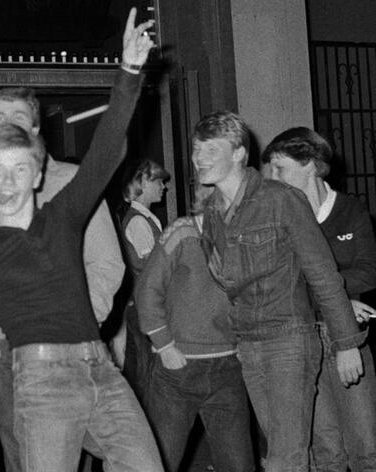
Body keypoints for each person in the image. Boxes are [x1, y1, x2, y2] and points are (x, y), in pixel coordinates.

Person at [0, 8, 162, 472]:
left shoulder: (61, 219)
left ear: (39, 172)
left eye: (19, 169)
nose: (7, 183)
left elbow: (105, 152)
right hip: (40, 381)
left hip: (101, 371)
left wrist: (127, 73)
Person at [195, 111, 364, 472]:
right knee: (293, 454)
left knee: (285, 459)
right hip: (249, 344)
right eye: (196, 148)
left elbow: (323, 274)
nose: (199, 157)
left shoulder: (280, 199)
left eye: (211, 148)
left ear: (239, 152)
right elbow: (227, 286)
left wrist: (347, 343)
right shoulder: (211, 212)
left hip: (289, 338)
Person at [0, 84, 128, 472]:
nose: (7, 125)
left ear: (35, 130)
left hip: (73, 348)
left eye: (17, 118)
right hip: (7, 351)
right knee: (20, 457)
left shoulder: (73, 181)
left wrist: (77, 323)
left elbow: (107, 264)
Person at [262, 127, 376, 472]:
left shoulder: (351, 210)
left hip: (347, 340)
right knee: (326, 452)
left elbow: (369, 271)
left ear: (310, 164)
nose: (273, 177)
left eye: (280, 168)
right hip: (303, 339)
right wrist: (338, 301)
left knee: (366, 449)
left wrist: (331, 297)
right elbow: (280, 286)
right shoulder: (282, 218)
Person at [137, 186, 253, 472]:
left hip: (228, 367)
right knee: (160, 462)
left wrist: (244, 344)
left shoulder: (239, 239)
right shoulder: (182, 233)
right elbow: (147, 290)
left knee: (239, 465)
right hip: (178, 369)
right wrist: (164, 345)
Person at [120, 158, 170, 402]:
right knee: (146, 374)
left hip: (143, 306)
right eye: (158, 181)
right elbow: (154, 269)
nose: (164, 186)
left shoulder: (146, 218)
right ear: (141, 183)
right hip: (144, 308)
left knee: (142, 369)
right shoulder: (139, 222)